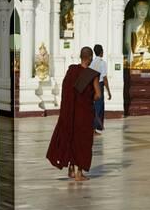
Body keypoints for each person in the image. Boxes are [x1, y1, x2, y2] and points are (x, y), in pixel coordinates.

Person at [46, 46, 101, 182]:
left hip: (71, 114)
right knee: (82, 142)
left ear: (81, 57)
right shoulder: (91, 74)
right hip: (84, 114)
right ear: (89, 58)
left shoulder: (71, 70)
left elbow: (66, 91)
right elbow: (98, 95)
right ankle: (79, 174)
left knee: (72, 138)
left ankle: (71, 170)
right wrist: (90, 98)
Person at [90, 44, 112, 134]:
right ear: (101, 52)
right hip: (99, 85)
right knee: (99, 107)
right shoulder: (102, 63)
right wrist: (109, 91)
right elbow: (104, 78)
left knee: (94, 107)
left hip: (92, 86)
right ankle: (95, 128)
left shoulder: (92, 63)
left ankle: (94, 127)